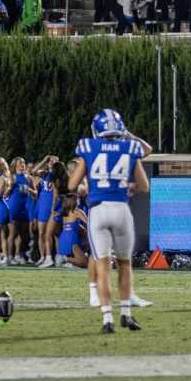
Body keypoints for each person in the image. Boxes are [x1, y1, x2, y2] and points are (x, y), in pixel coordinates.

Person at [68, 109, 149, 333]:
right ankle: (126, 314)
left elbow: (72, 184)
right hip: (121, 209)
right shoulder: (130, 147)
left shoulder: (88, 147)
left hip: (98, 210)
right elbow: (144, 186)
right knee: (124, 264)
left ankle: (107, 319)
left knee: (103, 266)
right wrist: (128, 185)